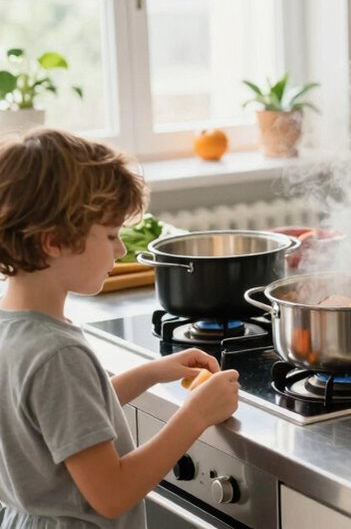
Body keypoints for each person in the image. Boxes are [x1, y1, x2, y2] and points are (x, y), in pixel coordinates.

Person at [0, 129, 240, 528]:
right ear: (53, 242)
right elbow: (112, 494)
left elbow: (60, 421)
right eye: (110, 235)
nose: (122, 249)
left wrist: (150, 373)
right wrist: (194, 416)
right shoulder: (57, 354)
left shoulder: (14, 328)